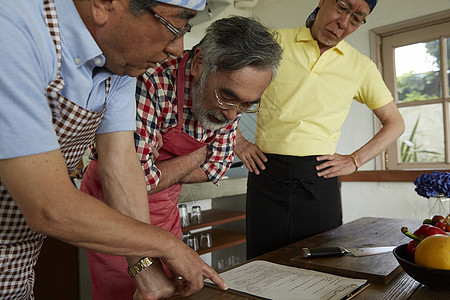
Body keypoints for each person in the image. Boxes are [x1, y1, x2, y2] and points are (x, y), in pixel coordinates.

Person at [0, 0, 228, 299]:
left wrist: (146, 273)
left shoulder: (117, 62)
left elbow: (121, 166)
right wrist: (167, 244)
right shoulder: (13, 28)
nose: (177, 48)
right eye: (174, 26)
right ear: (105, 4)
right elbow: (49, 207)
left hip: (17, 260)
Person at [80, 15, 283, 299]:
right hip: (113, 210)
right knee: (124, 289)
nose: (232, 114)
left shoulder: (233, 101)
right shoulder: (150, 81)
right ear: (199, 62)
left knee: (178, 288)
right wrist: (198, 155)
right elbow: (134, 178)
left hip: (166, 211)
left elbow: (218, 167)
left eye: (247, 105)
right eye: (227, 97)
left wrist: (160, 169)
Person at [234, 0, 405, 259]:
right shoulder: (272, 42)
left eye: (357, 18)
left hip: (320, 178)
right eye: (342, 8)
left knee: (324, 266)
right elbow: (224, 86)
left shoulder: (361, 67)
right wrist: (238, 142)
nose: (344, 23)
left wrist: (355, 160)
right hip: (266, 173)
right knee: (262, 264)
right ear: (323, 1)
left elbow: (396, 122)